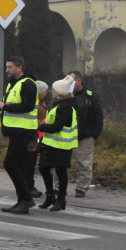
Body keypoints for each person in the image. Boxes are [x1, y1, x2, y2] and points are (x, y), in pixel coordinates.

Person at [0, 56, 39, 214]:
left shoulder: (28, 84)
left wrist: (5, 106)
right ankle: (22, 200)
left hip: (23, 131)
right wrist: (3, 107)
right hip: (15, 130)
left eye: (10, 67)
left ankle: (26, 198)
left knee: (10, 163)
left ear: (20, 68)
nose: (7, 70)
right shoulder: (14, 84)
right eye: (6, 67)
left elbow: (28, 106)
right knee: (18, 165)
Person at [37, 76, 79, 211]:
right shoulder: (59, 104)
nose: (52, 92)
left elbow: (57, 126)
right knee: (44, 168)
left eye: (54, 90)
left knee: (60, 171)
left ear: (60, 92)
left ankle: (60, 199)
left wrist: (40, 127)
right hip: (52, 143)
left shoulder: (65, 107)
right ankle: (51, 196)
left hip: (60, 145)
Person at [68, 70, 104, 198]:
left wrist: (95, 133)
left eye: (71, 80)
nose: (69, 83)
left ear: (79, 80)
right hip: (66, 135)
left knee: (85, 163)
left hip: (84, 135)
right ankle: (57, 187)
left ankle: (81, 188)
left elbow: (98, 115)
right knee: (60, 163)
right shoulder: (65, 94)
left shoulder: (90, 95)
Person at [22, 80, 50, 199]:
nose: (47, 93)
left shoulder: (41, 102)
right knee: (29, 163)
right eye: (45, 92)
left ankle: (30, 186)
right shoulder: (35, 105)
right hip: (33, 137)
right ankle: (28, 186)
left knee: (32, 163)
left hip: (38, 136)